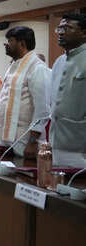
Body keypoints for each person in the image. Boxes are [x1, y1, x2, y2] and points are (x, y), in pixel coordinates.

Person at [0, 26, 50, 158]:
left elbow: (42, 110)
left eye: (10, 41)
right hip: (6, 140)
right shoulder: (14, 65)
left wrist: (32, 141)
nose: (6, 44)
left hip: (25, 142)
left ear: (22, 44)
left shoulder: (37, 67)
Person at [50, 13, 86, 167]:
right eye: (59, 28)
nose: (61, 32)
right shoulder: (59, 61)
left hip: (80, 144)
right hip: (56, 142)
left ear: (83, 32)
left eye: (67, 28)